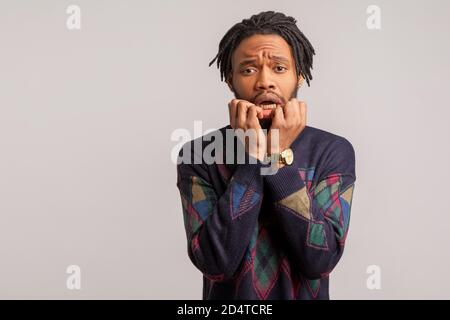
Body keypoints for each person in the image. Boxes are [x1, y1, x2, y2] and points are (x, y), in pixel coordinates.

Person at [176, 11, 356, 300]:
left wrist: (277, 155)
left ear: (300, 75)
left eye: (279, 68)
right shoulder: (199, 155)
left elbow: (319, 261)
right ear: (229, 80)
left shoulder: (331, 151)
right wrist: (252, 158)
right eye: (248, 70)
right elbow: (214, 263)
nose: (264, 82)